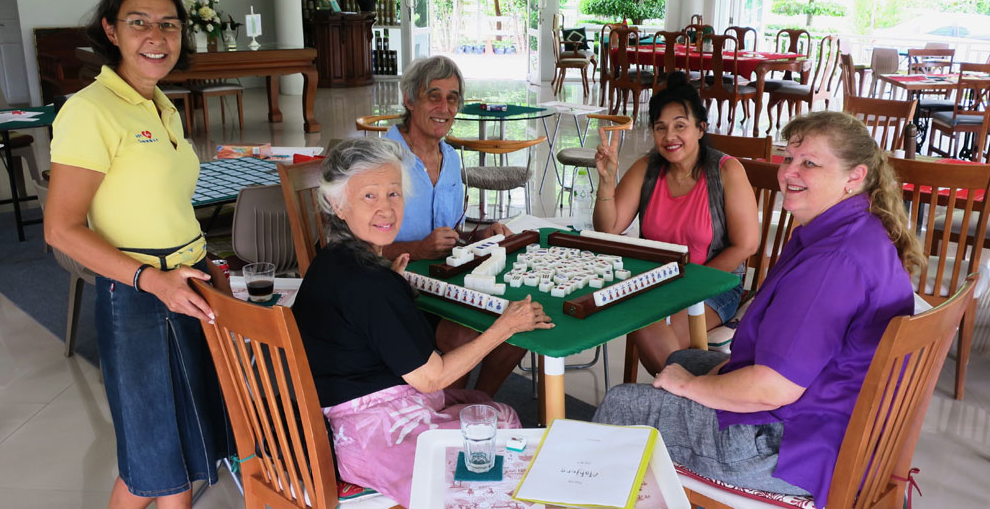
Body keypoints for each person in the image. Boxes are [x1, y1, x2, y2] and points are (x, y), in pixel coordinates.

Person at [593, 111, 924, 507]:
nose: (789, 172)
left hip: (794, 449)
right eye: (789, 158)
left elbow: (773, 388)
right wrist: (696, 380)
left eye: (810, 163)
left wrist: (689, 388)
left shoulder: (833, 261)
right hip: (838, 417)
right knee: (682, 359)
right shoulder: (857, 227)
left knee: (623, 404)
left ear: (854, 176)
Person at [43, 0, 231, 509]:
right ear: (111, 30)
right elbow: (60, 228)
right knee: (153, 458)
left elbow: (163, 203)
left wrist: (206, 267)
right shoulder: (90, 110)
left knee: (183, 452)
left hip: (188, 284)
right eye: (139, 22)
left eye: (169, 24)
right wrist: (153, 281)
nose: (157, 36)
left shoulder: (161, 104)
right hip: (137, 293)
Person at [291, 137, 553, 505]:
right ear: (338, 203)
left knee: (490, 410)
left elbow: (360, 319)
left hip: (342, 418)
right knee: (499, 440)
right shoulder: (369, 283)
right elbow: (432, 377)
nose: (386, 208)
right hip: (372, 438)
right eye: (369, 196)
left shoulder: (332, 259)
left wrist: (391, 283)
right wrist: (506, 326)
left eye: (393, 193)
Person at [593, 71, 759, 373]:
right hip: (658, 281)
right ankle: (690, 390)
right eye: (661, 128)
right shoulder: (648, 167)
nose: (669, 136)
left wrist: (689, 284)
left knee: (646, 325)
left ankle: (682, 389)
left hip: (713, 283)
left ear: (700, 128)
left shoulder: (726, 171)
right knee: (643, 319)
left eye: (680, 126)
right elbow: (608, 229)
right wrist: (606, 181)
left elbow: (746, 245)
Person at [379, 55, 525, 395]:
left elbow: (451, 238)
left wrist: (480, 237)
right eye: (434, 96)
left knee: (522, 318)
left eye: (452, 98)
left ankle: (475, 401)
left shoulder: (450, 158)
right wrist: (418, 250)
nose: (444, 108)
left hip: (443, 283)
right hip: (393, 290)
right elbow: (360, 251)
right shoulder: (382, 157)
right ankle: (444, 410)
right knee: (462, 333)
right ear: (409, 100)